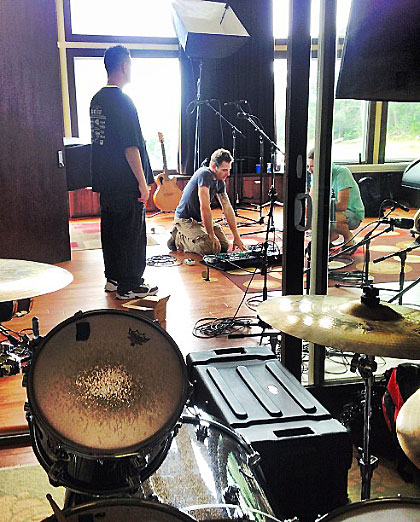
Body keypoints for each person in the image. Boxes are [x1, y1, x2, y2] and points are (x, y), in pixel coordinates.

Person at [90, 45, 158, 300]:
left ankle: (113, 279)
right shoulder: (123, 102)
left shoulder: (97, 100)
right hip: (125, 183)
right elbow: (131, 146)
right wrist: (142, 183)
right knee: (131, 234)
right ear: (125, 66)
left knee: (111, 231)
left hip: (106, 182)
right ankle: (130, 285)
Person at [167, 149, 246, 255]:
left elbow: (227, 207)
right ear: (214, 167)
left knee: (223, 246)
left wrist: (236, 237)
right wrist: (211, 235)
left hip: (199, 220)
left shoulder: (220, 181)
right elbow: (204, 207)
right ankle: (178, 238)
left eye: (228, 170)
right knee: (209, 248)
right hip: (185, 219)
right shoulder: (204, 174)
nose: (228, 174)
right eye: (224, 170)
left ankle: (191, 235)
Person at [307, 149, 365, 251]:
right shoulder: (315, 174)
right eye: (308, 166)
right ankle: (331, 236)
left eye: (312, 167)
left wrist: (319, 208)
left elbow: (342, 205)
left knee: (327, 216)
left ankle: (349, 237)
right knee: (311, 215)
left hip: (352, 214)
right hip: (331, 210)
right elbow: (311, 199)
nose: (309, 170)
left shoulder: (342, 173)